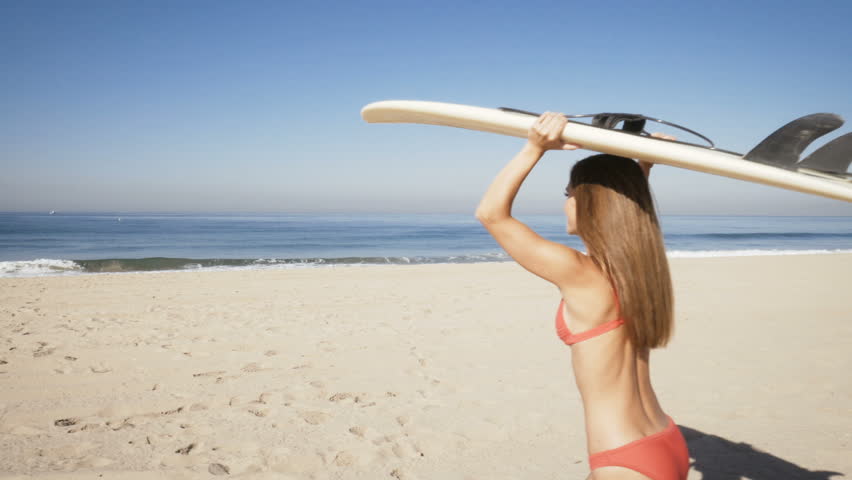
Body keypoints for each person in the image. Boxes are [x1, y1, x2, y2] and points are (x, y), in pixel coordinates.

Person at [475, 112, 690, 480]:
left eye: (568, 194)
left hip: (621, 460)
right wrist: (644, 163)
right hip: (664, 440)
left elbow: (491, 215)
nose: (565, 203)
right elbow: (631, 212)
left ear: (589, 202)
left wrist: (534, 147)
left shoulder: (579, 274)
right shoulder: (637, 271)